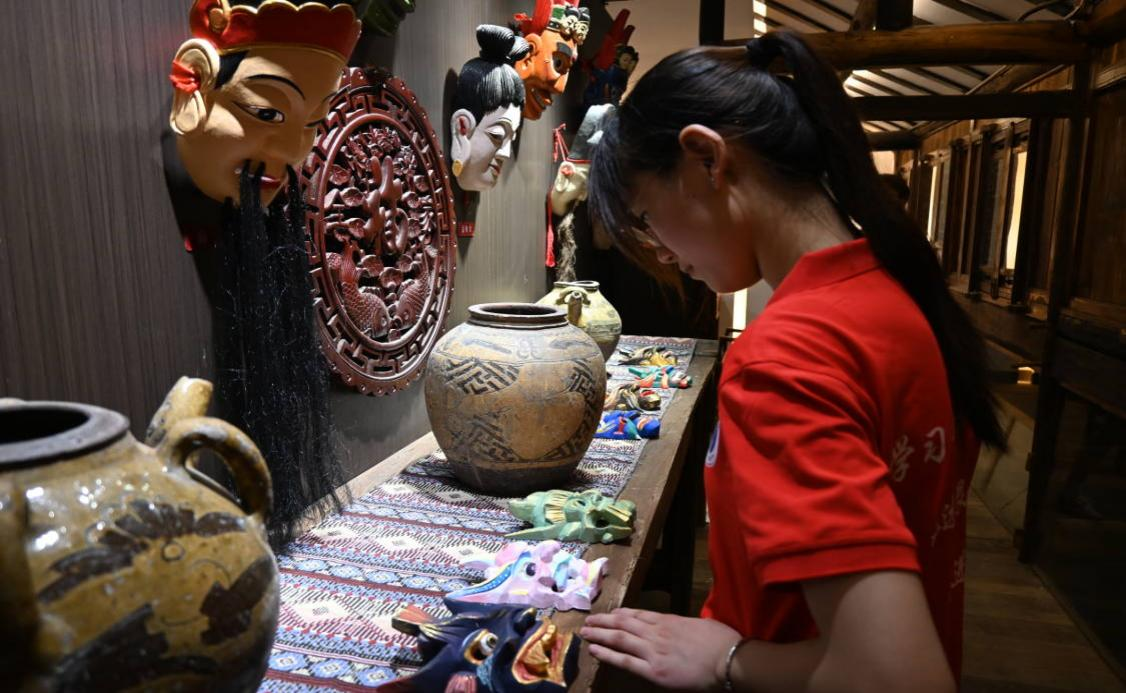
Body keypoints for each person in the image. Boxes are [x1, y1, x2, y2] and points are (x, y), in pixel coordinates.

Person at [580, 30, 1005, 691]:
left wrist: (726, 658)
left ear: (705, 160)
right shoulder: (897, 291)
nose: (659, 250)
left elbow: (898, 677)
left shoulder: (784, 358)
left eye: (645, 216)